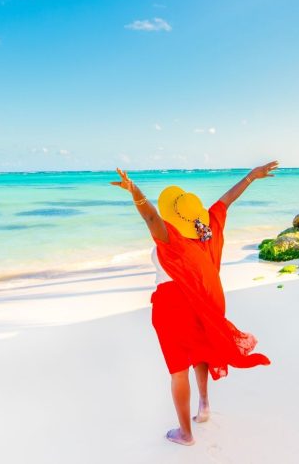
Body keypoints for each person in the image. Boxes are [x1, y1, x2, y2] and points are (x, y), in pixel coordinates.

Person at [110, 162, 277, 446]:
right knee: (200, 351)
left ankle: (185, 434)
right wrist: (251, 176)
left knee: (178, 370)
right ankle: (204, 405)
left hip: (172, 307)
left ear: (174, 216)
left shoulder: (172, 239)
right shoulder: (207, 231)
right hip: (202, 304)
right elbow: (227, 200)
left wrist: (134, 191)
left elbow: (150, 219)